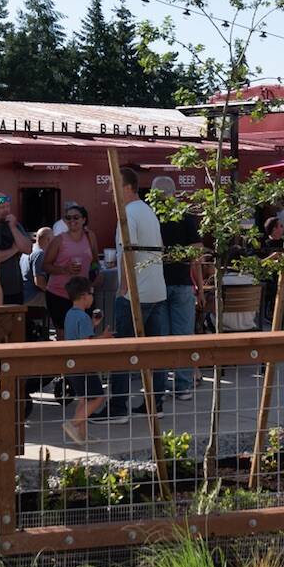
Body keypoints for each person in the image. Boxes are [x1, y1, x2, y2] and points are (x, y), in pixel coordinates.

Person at [104, 167, 172, 419]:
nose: (109, 189)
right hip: (156, 290)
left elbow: (128, 250)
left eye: (113, 184)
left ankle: (119, 407)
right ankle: (154, 406)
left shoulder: (128, 213)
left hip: (136, 293)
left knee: (123, 352)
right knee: (155, 353)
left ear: (128, 187)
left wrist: (124, 287)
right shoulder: (147, 211)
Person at [151, 176, 204, 398]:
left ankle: (160, 389)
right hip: (183, 282)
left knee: (161, 337)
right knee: (184, 336)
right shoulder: (185, 217)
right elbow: (197, 255)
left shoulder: (152, 217)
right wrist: (200, 288)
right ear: (174, 194)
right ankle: (183, 386)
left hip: (158, 284)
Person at [59, 276, 110, 445]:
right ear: (83, 296)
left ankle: (82, 435)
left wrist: (93, 325)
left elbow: (77, 336)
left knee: (84, 399)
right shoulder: (83, 317)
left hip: (72, 364)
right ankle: (73, 424)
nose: (92, 296)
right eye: (91, 293)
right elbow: (87, 342)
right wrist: (104, 337)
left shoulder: (70, 314)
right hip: (84, 365)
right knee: (98, 398)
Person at [41, 204, 99, 339]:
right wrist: (64, 269)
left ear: (84, 219)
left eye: (76, 217)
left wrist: (97, 274)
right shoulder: (59, 239)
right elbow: (45, 265)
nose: (72, 221)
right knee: (63, 335)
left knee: (86, 332)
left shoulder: (90, 237)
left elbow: (95, 261)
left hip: (82, 294)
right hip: (59, 293)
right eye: (68, 218)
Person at [0, 191, 33, 305]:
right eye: (2, 207)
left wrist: (13, 228)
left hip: (16, 290)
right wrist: (14, 249)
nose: (6, 210)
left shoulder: (14, 225)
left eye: (8, 206)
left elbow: (28, 249)